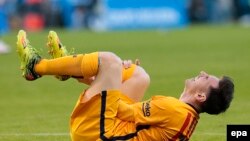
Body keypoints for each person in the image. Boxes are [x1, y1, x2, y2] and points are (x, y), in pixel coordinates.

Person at [16, 30, 234, 141]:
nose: (203, 73)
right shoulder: (184, 115)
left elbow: (118, 108)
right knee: (140, 76)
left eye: (207, 79)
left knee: (111, 62)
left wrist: (112, 75)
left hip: (98, 135)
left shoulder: (173, 109)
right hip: (106, 131)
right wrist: (110, 79)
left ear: (201, 97)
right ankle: (67, 68)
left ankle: (36, 67)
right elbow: (114, 104)